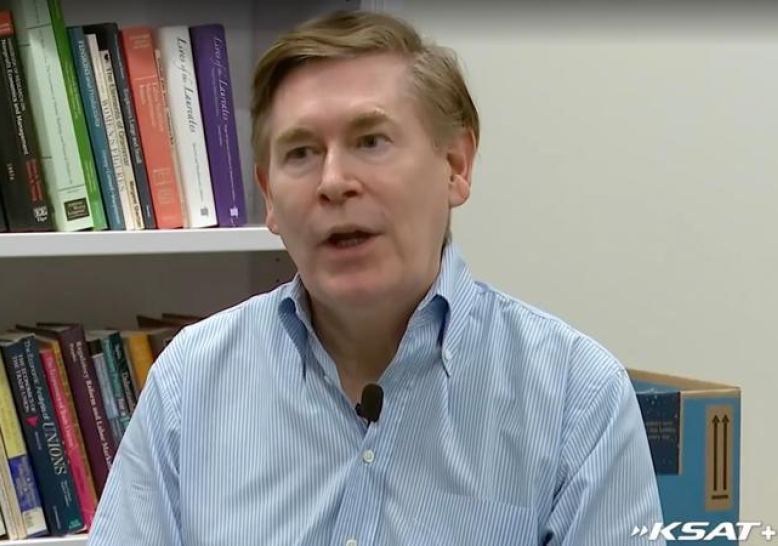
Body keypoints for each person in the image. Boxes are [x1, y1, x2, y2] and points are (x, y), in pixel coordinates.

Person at [89, 10, 663, 545]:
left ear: (456, 166)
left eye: (370, 141)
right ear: (269, 199)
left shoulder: (576, 398)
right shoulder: (190, 385)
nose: (333, 182)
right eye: (301, 153)